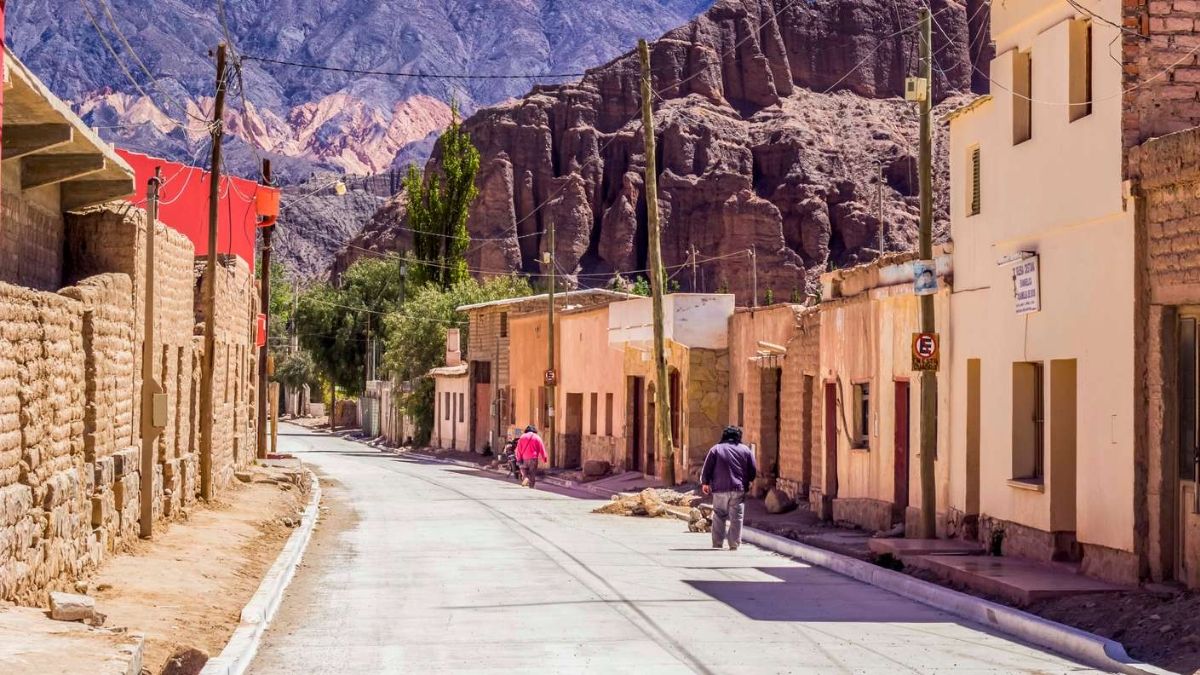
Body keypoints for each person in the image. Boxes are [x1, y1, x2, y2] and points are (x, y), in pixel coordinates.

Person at [701, 426, 757, 550]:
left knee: (719, 515)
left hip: (719, 488)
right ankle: (734, 544)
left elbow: (707, 468)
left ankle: (717, 543)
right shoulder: (745, 450)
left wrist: (705, 483)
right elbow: (752, 469)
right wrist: (750, 481)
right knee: (736, 517)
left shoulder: (715, 449)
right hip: (738, 488)